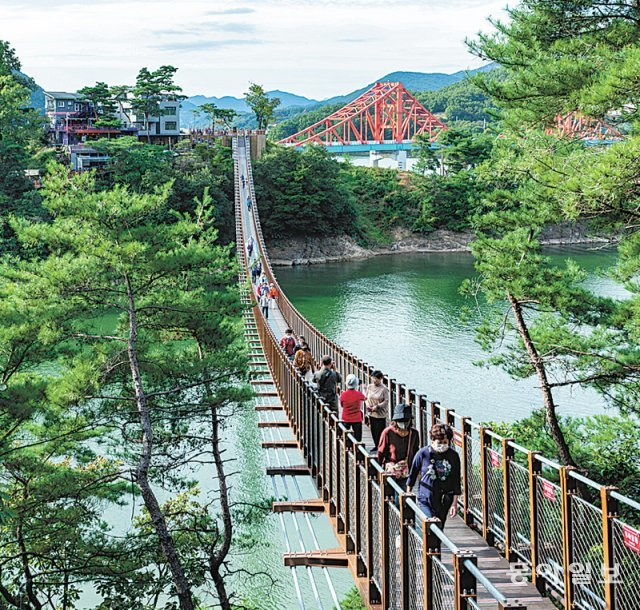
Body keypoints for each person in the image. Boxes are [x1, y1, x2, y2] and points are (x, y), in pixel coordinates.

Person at [406, 423, 461, 528]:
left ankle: (437, 544)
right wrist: (408, 494)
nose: (443, 445)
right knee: (431, 524)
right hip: (426, 497)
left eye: (445, 442)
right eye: (439, 442)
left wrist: (454, 503)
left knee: (440, 525)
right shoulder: (423, 453)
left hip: (444, 498)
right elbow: (412, 474)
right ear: (432, 441)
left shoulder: (453, 456)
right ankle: (429, 544)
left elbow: (456, 479)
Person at [377, 404, 419, 491]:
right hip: (391, 471)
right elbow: (381, 452)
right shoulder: (387, 432)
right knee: (389, 496)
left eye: (406, 420)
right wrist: (379, 471)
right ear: (395, 421)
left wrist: (417, 472)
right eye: (400, 420)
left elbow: (416, 452)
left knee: (402, 498)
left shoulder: (414, 433)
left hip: (406, 472)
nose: (403, 423)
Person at [365, 370, 389, 449]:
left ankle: (381, 447)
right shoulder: (370, 386)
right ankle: (376, 445)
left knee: (380, 431)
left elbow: (386, 401)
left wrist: (378, 406)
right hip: (371, 412)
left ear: (380, 379)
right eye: (373, 378)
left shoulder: (384, 389)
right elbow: (366, 398)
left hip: (380, 413)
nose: (374, 380)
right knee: (373, 430)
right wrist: (368, 405)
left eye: (376, 379)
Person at [339, 374, 365, 441]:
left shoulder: (343, 395)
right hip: (357, 418)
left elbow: (342, 405)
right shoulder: (359, 394)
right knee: (358, 437)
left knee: (345, 436)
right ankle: (358, 449)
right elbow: (365, 398)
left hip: (346, 418)